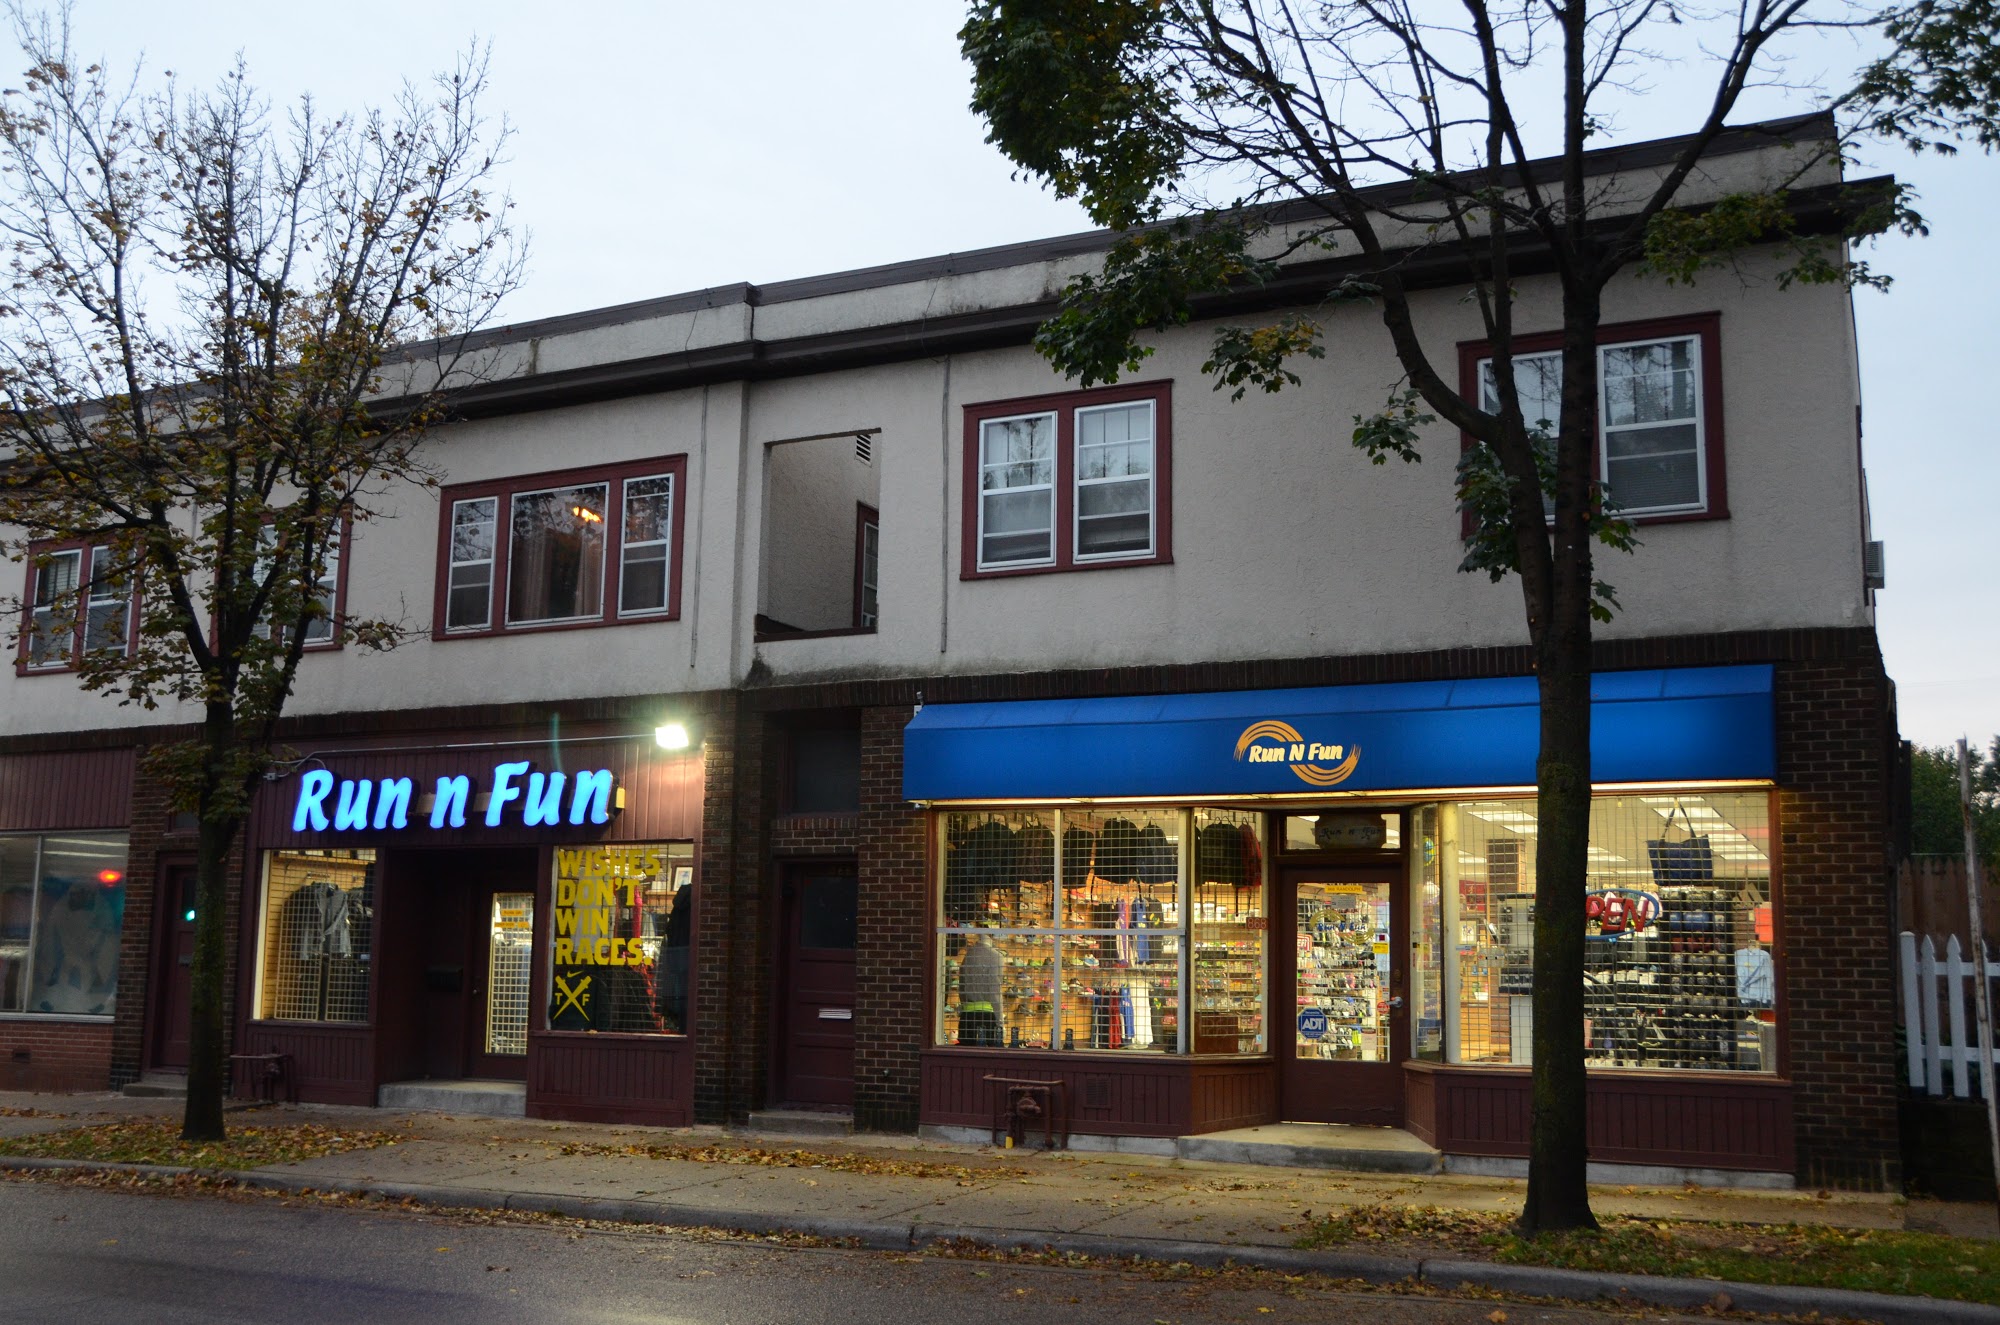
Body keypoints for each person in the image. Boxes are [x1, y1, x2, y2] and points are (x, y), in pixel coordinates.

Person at [958, 930, 1004, 1047]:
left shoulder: (968, 955)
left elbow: (961, 985)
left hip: (966, 1017)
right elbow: (995, 991)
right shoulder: (996, 956)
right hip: (986, 1017)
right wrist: (1000, 1022)